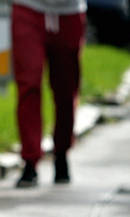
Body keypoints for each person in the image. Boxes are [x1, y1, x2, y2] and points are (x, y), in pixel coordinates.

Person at [11, 0, 87, 188]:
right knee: (29, 83)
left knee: (66, 90)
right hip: (28, 8)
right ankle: (30, 160)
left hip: (69, 12)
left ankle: (61, 152)